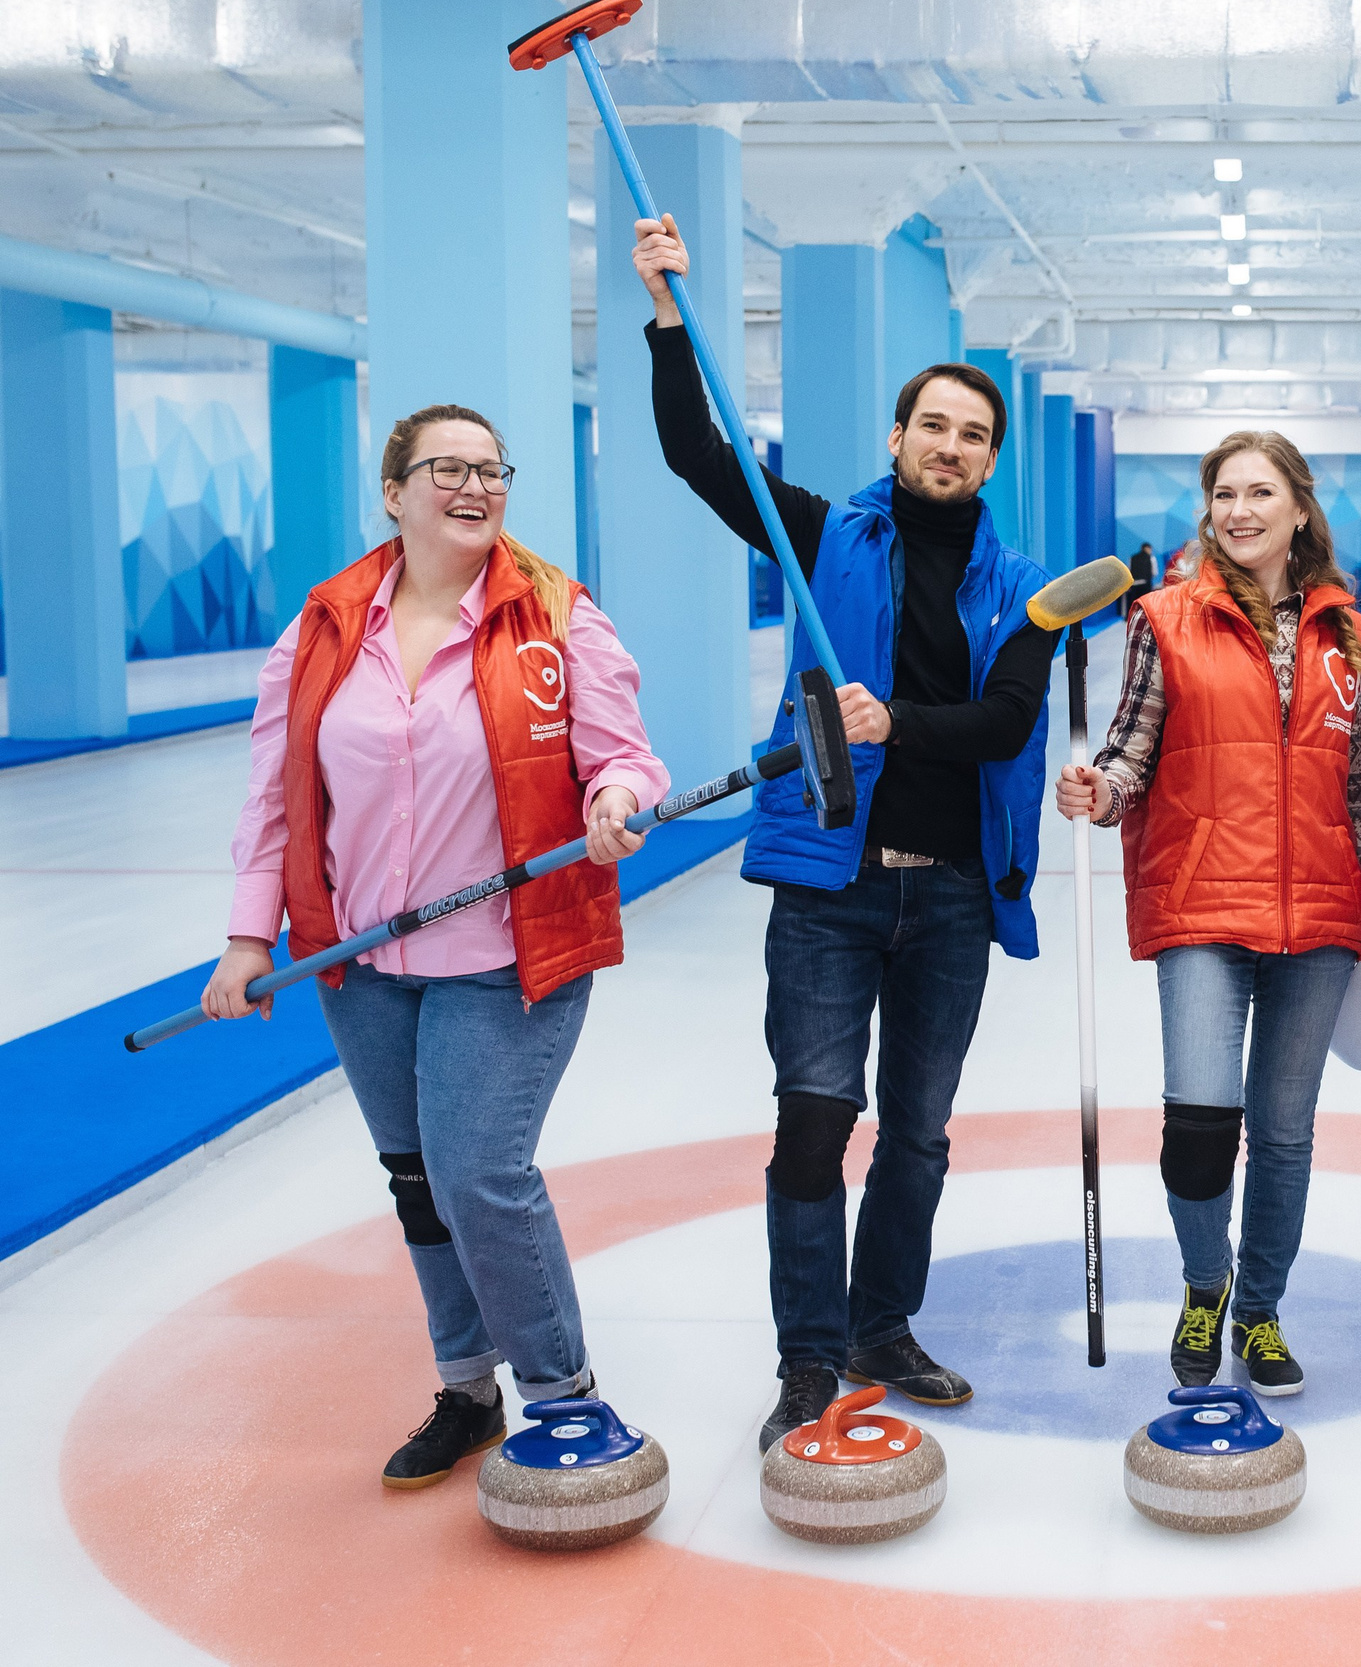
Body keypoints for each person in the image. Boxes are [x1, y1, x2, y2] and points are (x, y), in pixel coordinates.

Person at [631, 215, 1058, 1447]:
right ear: (898, 436)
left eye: (975, 436)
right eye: (934, 425)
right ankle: (809, 1357)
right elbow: (694, 453)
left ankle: (883, 1325)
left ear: (991, 459)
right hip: (832, 882)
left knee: (916, 1134)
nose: (952, 447)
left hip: (956, 897)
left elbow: (1008, 723)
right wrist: (669, 313)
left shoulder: (1023, 586)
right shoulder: (826, 534)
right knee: (816, 1116)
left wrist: (897, 721)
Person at [205, 403, 670, 1488]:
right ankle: (466, 1389)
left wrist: (617, 799)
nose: (475, 486)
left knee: (479, 1174)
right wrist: (244, 935)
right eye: (447, 468)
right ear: (394, 489)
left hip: (511, 951)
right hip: (361, 960)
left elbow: (626, 756)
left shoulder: (555, 611)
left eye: (490, 469)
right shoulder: (323, 627)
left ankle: (563, 1399)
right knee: (417, 1178)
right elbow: (277, 795)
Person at [1055, 432, 1361, 1396]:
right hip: (1204, 903)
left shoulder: (1344, 635)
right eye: (1223, 493)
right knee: (1201, 1122)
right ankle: (1207, 1285)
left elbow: (1356, 789)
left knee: (1285, 1131)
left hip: (1321, 913)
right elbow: (1130, 750)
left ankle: (1262, 1311)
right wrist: (1102, 791)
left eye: (1260, 491)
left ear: (1298, 508)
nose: (1240, 509)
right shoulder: (1166, 618)